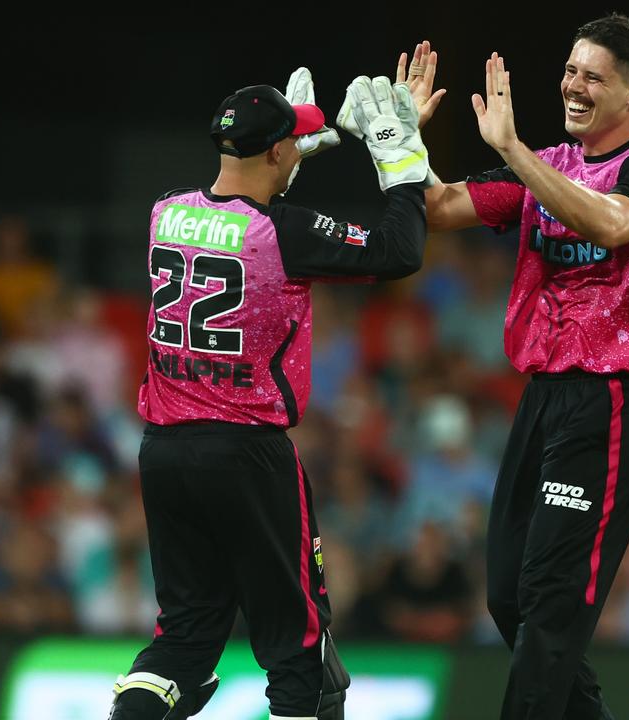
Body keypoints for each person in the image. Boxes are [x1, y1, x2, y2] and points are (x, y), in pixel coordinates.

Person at [107, 68, 432, 720]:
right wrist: (401, 162)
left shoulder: (165, 211)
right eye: (294, 143)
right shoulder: (285, 233)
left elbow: (242, 218)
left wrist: (286, 163)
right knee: (301, 655)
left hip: (164, 452)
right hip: (248, 455)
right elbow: (398, 250)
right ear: (280, 152)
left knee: (185, 637)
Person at [399, 15, 629, 718]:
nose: (574, 86)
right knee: (509, 595)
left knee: (552, 603)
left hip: (617, 403)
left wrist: (512, 150)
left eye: (594, 76)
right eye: (570, 70)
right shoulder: (548, 167)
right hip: (545, 398)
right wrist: (400, 139)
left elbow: (609, 224)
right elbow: (438, 208)